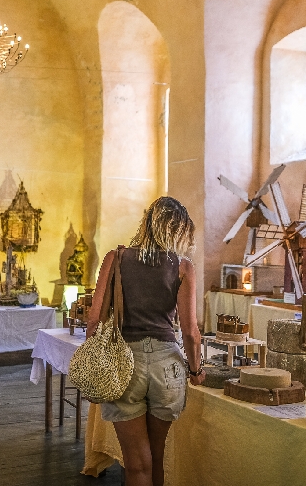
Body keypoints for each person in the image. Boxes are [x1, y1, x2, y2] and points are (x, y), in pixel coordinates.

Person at [86, 197, 204, 486]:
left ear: (147, 223)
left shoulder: (116, 258)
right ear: (178, 231)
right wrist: (196, 370)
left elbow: (93, 320)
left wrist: (97, 352)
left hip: (125, 363)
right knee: (157, 455)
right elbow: (190, 331)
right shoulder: (183, 267)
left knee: (138, 465)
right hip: (168, 365)